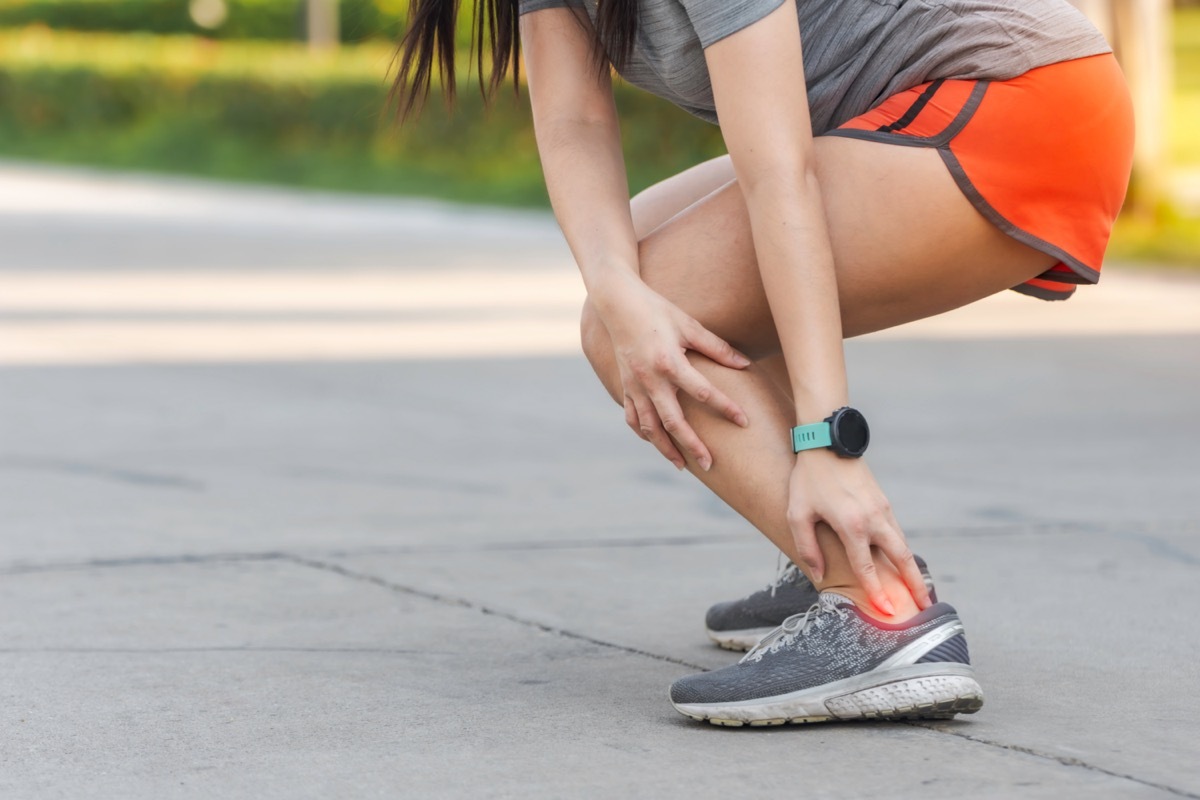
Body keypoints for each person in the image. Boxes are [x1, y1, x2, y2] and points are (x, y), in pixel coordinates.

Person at [388, 0, 1133, 726]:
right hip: (939, 111)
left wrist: (827, 443)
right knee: (634, 292)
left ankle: (875, 613)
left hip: (1018, 105)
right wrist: (614, 288)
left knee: (651, 310)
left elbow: (779, 172)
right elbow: (573, 122)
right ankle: (834, 556)